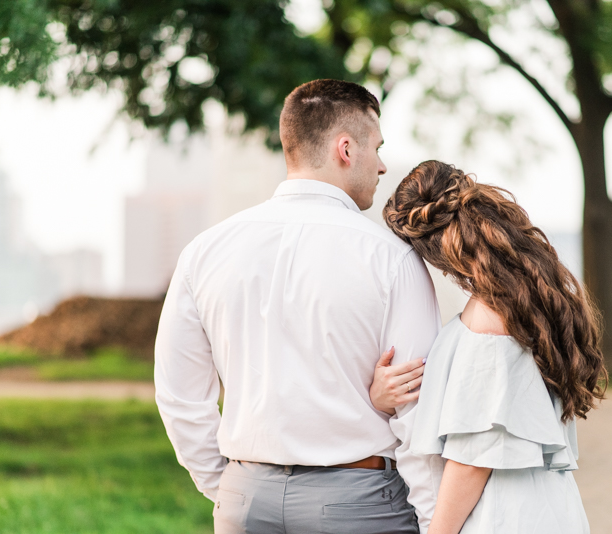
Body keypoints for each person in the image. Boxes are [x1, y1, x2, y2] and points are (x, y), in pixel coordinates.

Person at [154, 79, 440, 534]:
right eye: (377, 147)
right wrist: (434, 521)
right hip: (360, 504)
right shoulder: (392, 257)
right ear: (345, 148)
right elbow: (419, 408)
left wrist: (229, 487)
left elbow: (180, 397)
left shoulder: (204, 252)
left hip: (244, 501)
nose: (383, 166)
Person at [376, 160, 608, 534]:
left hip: (502, 517)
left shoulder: (487, 319)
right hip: (547, 508)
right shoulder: (524, 299)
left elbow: (473, 459)